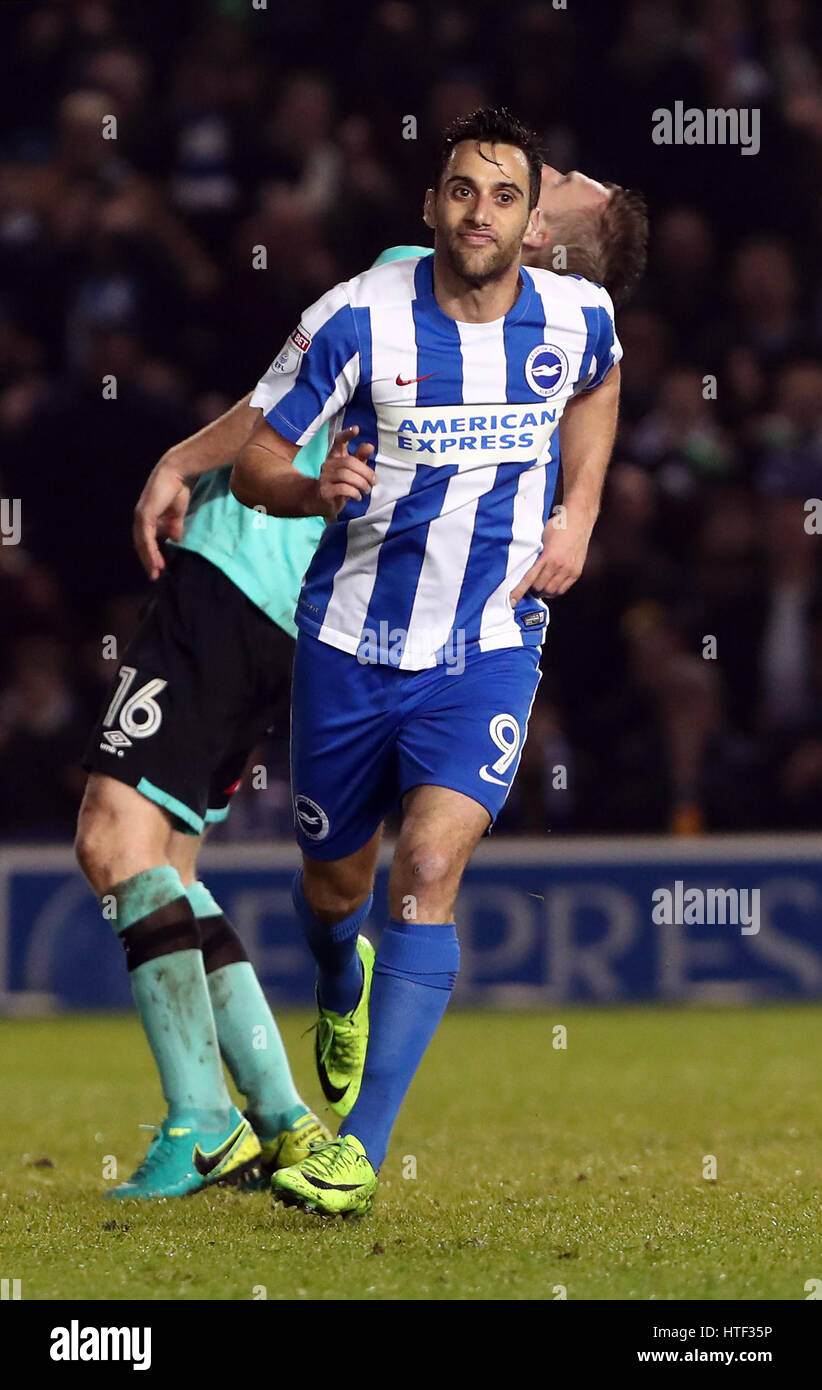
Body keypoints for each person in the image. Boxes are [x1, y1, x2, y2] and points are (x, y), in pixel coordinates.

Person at [74, 146, 646, 1200]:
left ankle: (206, 1118)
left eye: (554, 184)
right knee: (173, 864)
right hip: (315, 620)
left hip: (245, 572)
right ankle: (279, 1117)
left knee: (113, 835)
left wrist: (180, 460)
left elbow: (271, 409)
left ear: (544, 240)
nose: (539, 173)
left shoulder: (427, 278)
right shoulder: (544, 341)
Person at [230, 106, 624, 1217]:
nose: (480, 212)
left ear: (529, 213)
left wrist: (581, 512)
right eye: (461, 190)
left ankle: (358, 1151)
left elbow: (599, 383)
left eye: (504, 194)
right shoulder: (354, 320)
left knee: (431, 869)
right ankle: (332, 971)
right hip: (351, 643)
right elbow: (259, 458)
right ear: (431, 207)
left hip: (489, 641)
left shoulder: (575, 314)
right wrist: (312, 489)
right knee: (334, 886)